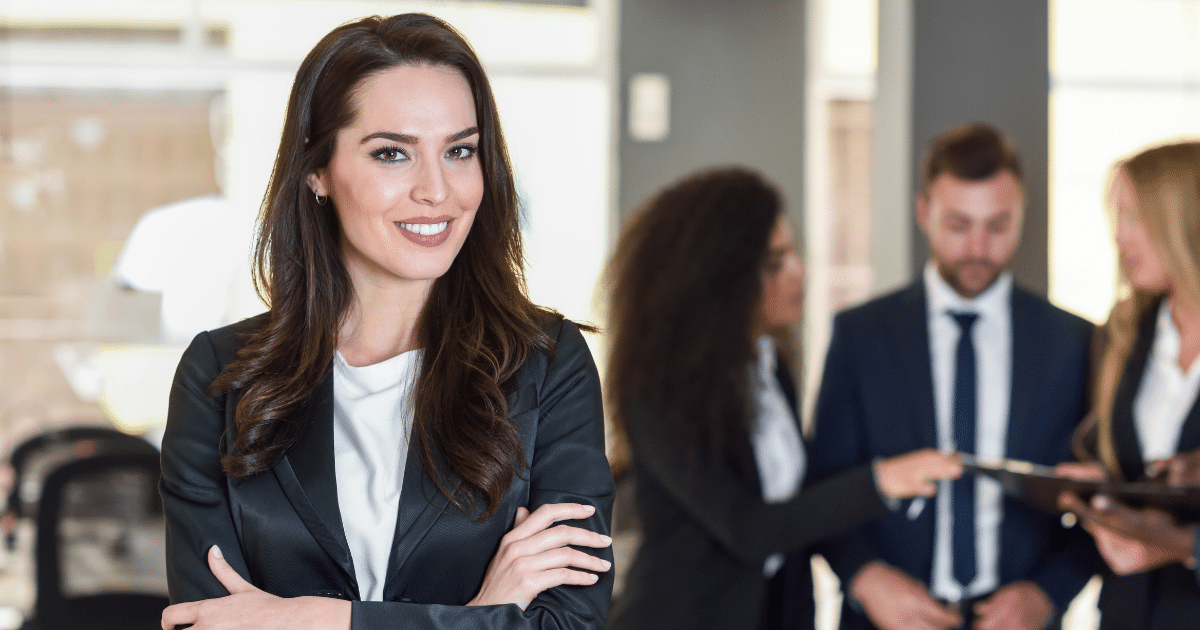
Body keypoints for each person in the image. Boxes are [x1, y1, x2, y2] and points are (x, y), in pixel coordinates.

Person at [158, 14, 614, 630]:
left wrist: (316, 620)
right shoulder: (220, 376)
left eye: (460, 150)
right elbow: (207, 623)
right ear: (318, 170)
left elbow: (569, 626)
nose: (437, 190)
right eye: (392, 153)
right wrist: (481, 614)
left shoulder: (545, 364)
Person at [602, 167, 963, 630]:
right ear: (722, 283)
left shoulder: (770, 365)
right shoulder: (656, 393)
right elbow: (748, 529)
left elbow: (799, 506)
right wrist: (882, 481)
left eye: (793, 252)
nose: (799, 271)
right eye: (775, 262)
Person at [807, 123, 1095, 630]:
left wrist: (1047, 595)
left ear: (1022, 212)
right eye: (959, 225)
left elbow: (1098, 490)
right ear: (924, 212)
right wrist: (866, 577)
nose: (978, 248)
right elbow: (826, 483)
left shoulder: (1073, 342)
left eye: (998, 225)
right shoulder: (862, 335)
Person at [1057, 140, 1200, 629]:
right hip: (1126, 614)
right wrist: (1103, 488)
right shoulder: (1122, 333)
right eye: (1116, 217)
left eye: (1134, 217)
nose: (1119, 237)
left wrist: (1177, 544)